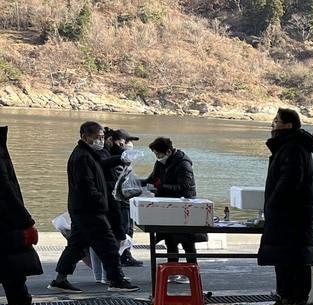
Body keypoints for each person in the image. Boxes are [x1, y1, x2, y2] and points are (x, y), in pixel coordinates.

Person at [51, 121, 135, 292]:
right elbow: (86, 186)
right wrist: (102, 202)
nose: (101, 141)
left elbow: (103, 164)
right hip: (89, 209)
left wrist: (120, 157)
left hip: (83, 209)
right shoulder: (81, 157)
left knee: (76, 245)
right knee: (109, 244)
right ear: (84, 137)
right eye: (97, 137)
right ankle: (116, 280)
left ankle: (59, 280)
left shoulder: (89, 154)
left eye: (102, 137)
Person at [258, 108, 313, 305]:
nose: (273, 123)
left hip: (291, 216)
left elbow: (289, 182)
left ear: (289, 125)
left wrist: (273, 205)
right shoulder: (289, 146)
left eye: (277, 120)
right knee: (288, 258)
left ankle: (293, 300)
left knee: (292, 259)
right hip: (292, 215)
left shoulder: (292, 148)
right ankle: (287, 299)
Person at [0, 126, 57, 305]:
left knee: (13, 279)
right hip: (5, 228)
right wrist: (26, 222)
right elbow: (4, 190)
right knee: (14, 278)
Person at [143, 138, 204, 263]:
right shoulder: (160, 162)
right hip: (168, 206)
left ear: (169, 152)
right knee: (169, 240)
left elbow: (184, 187)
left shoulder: (183, 164)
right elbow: (152, 178)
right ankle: (172, 269)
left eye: (158, 154)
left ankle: (192, 269)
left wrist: (161, 187)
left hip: (183, 207)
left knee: (187, 242)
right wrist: (139, 183)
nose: (157, 157)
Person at [102, 129, 142, 269]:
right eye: (126, 142)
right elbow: (120, 180)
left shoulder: (121, 158)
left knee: (127, 228)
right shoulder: (116, 157)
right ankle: (123, 256)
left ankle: (125, 255)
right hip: (121, 200)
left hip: (125, 199)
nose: (129, 145)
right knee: (123, 229)